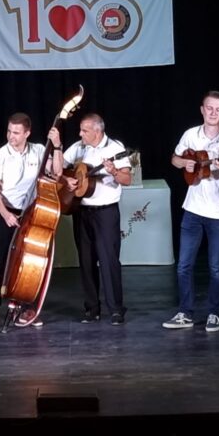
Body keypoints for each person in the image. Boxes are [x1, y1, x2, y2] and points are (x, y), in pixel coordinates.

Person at [163, 90, 219, 332]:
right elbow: (175, 158)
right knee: (183, 265)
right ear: (202, 109)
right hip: (192, 209)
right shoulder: (191, 134)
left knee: (216, 267)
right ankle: (185, 312)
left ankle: (214, 313)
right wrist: (185, 163)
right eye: (210, 108)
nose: (213, 113)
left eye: (218, 109)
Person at [0, 112, 63, 330]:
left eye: (16, 133)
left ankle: (27, 307)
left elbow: (57, 173)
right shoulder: (0, 155)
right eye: (9, 131)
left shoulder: (39, 150)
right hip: (7, 213)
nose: (11, 136)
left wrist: (57, 146)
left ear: (27, 133)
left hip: (31, 213)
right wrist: (6, 215)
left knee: (31, 262)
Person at [60, 113, 132, 325]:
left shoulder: (115, 148)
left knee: (109, 260)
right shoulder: (79, 147)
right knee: (86, 261)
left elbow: (127, 179)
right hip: (82, 211)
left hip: (105, 213)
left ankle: (116, 309)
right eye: (81, 129)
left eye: (85, 130)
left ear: (98, 131)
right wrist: (66, 178)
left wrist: (114, 171)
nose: (80, 134)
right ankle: (92, 308)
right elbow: (58, 167)